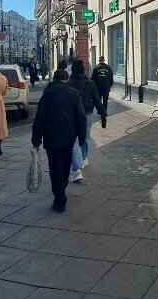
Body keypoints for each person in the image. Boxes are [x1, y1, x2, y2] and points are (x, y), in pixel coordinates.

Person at [31, 69, 88, 211]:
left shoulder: (47, 94)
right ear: (66, 79)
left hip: (52, 137)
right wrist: (81, 137)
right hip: (69, 137)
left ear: (54, 79)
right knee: (65, 164)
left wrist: (36, 140)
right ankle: (61, 188)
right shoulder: (73, 93)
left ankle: (59, 198)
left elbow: (40, 119)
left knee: (54, 166)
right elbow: (81, 117)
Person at [68, 59, 106, 180]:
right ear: (83, 70)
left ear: (72, 70)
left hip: (72, 115)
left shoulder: (68, 83)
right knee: (84, 137)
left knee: (73, 139)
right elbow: (97, 100)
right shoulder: (90, 83)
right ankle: (83, 158)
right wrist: (103, 113)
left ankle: (76, 162)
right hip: (87, 114)